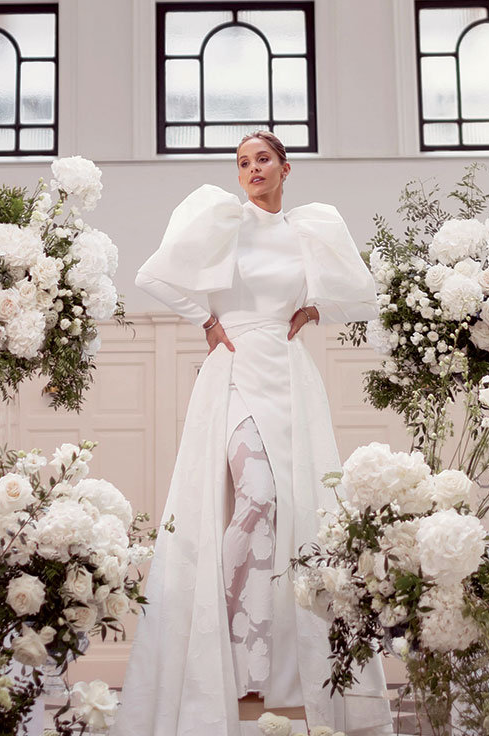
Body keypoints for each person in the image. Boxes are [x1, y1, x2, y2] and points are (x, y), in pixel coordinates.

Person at [112, 131, 393, 736]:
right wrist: (206, 321)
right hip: (235, 371)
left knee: (294, 513)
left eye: (262, 159)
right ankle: (214, 602)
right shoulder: (223, 220)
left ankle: (274, 664)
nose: (251, 169)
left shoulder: (308, 227)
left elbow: (364, 295)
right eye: (243, 162)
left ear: (285, 167)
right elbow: (151, 277)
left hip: (289, 378)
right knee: (257, 496)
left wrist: (316, 307)